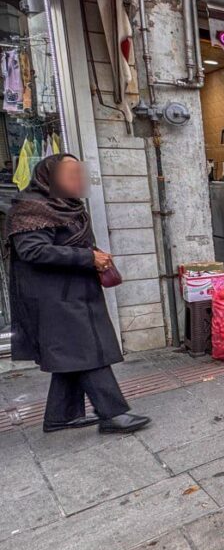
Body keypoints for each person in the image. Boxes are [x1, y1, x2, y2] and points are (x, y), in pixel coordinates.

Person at [7, 155, 150, 435]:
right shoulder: (30, 208)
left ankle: (61, 416)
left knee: (72, 354)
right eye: (69, 174)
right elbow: (32, 251)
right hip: (53, 297)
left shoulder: (67, 206)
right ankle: (113, 413)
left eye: (78, 173)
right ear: (49, 176)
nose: (77, 179)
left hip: (76, 292)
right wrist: (87, 257)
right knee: (88, 353)